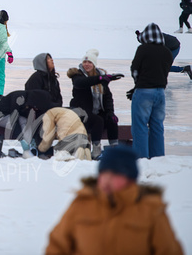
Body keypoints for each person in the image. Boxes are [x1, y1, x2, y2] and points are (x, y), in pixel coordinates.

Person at [46, 145, 183, 255]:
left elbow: (169, 250)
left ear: (130, 179)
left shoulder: (150, 209)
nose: (106, 180)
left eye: (115, 175)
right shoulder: (82, 204)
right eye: (103, 173)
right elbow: (57, 245)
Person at [67, 49, 122, 158]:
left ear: (94, 64)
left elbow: (107, 97)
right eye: (85, 62)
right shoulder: (77, 75)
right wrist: (100, 79)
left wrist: (110, 112)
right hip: (81, 113)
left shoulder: (101, 77)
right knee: (98, 120)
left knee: (111, 120)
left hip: (96, 112)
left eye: (89, 62)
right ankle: (96, 150)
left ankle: (114, 149)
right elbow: (81, 83)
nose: (86, 64)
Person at [130, 23, 173, 159]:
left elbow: (135, 69)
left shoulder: (143, 49)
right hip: (160, 92)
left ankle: (141, 159)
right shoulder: (167, 52)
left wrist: (138, 84)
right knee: (157, 126)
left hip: (144, 91)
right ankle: (158, 158)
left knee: (140, 126)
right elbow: (165, 71)